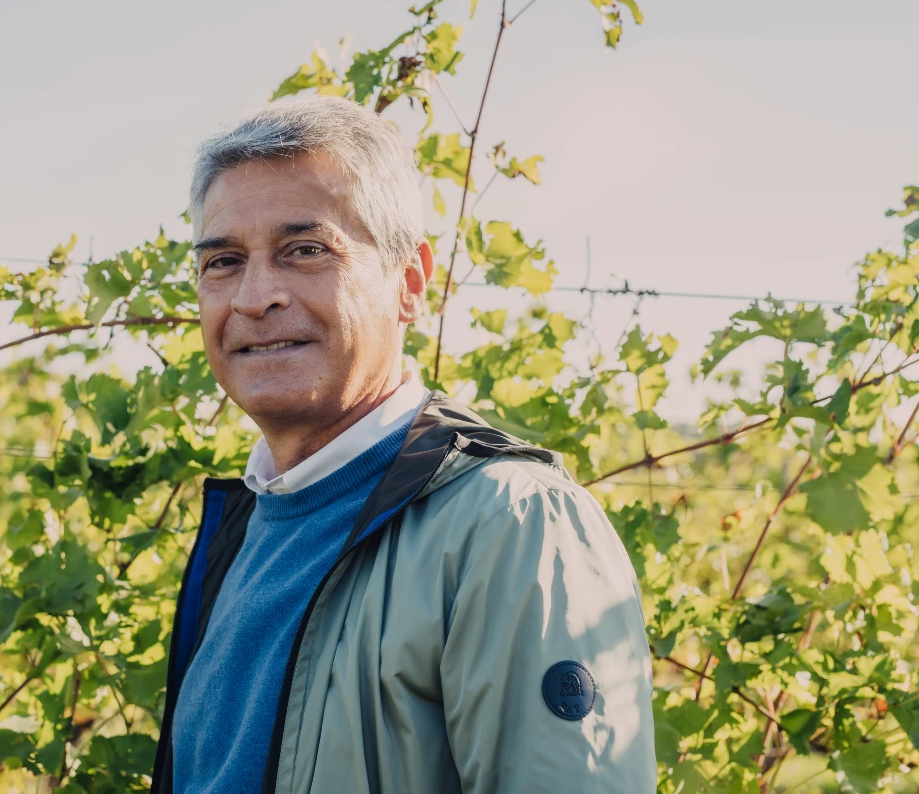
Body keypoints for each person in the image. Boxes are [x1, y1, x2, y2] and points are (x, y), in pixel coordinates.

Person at [151, 96, 656, 794]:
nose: (255, 296)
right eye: (223, 261)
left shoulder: (511, 525)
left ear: (410, 282)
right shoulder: (246, 530)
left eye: (305, 251)